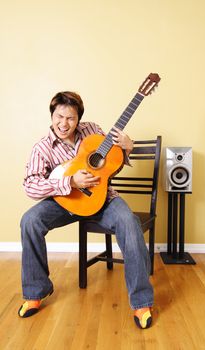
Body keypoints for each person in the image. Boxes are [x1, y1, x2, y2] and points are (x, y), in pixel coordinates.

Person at [18, 91, 154, 329]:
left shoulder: (92, 131)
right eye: (59, 117)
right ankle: (35, 292)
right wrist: (69, 182)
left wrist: (127, 149)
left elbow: (111, 164)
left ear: (79, 118)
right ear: (52, 115)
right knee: (29, 221)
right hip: (64, 201)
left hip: (103, 199)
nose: (64, 124)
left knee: (129, 222)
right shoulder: (42, 147)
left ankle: (141, 302)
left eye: (70, 118)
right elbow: (30, 185)